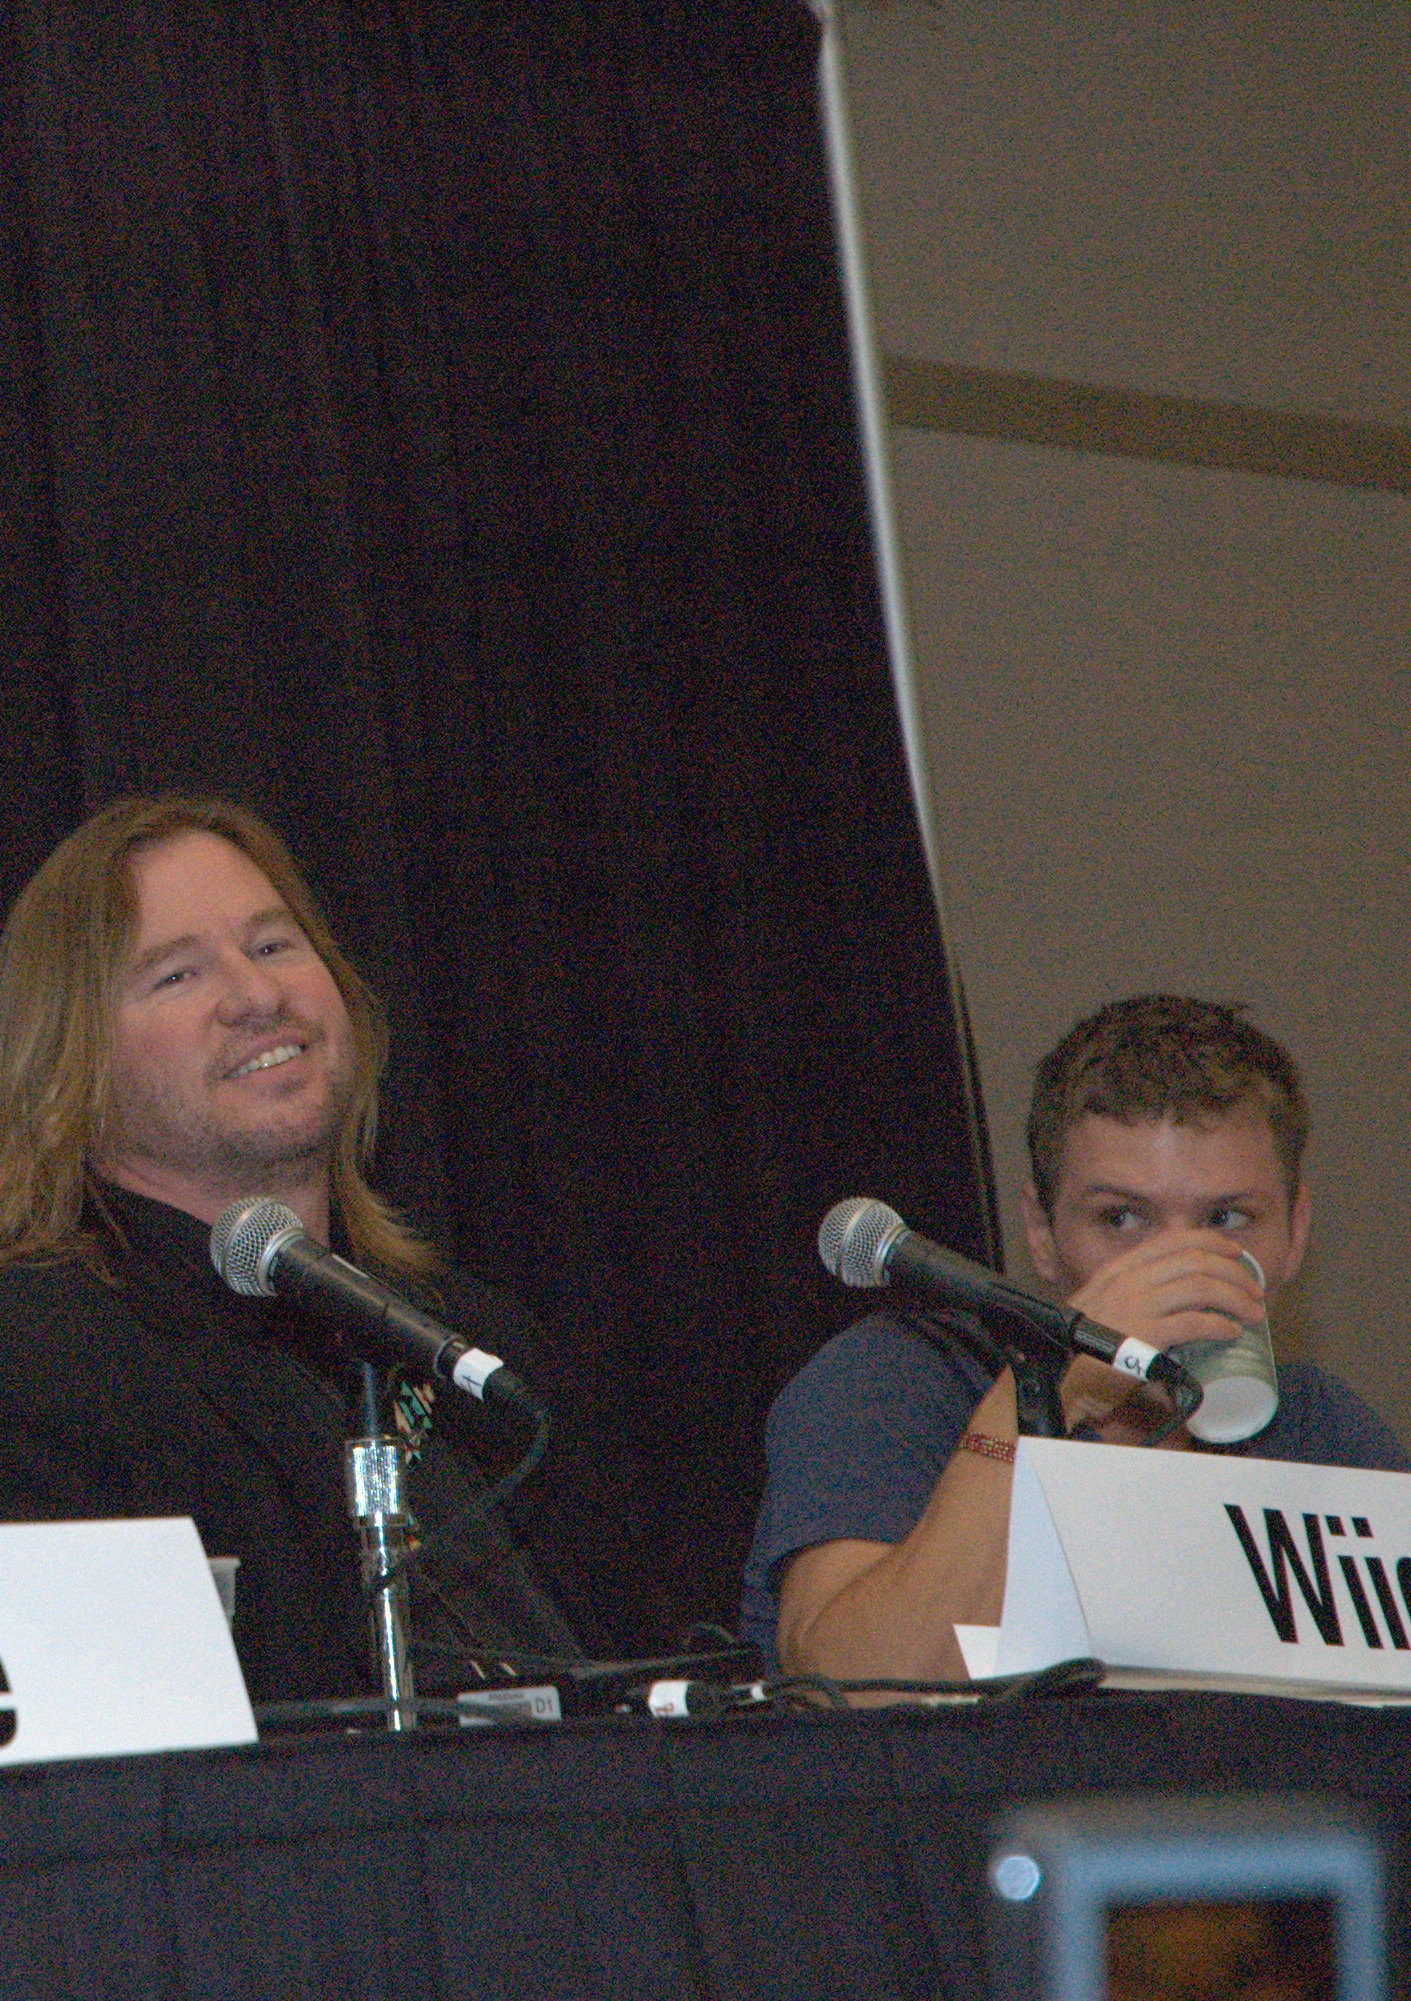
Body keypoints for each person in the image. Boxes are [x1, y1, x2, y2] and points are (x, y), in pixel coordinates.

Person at [0, 794, 606, 1704]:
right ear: (69, 1064)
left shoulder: (471, 1339)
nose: (257, 995)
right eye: (175, 975)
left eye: (275, 944)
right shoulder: (38, 1357)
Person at [740, 995, 1409, 1683]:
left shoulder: (1315, 1428)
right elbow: (857, 1688)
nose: (1175, 1267)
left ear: (1294, 1233)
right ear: (1041, 1231)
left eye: (1227, 1217)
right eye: (1120, 1218)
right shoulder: (901, 1377)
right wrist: (1056, 1387)